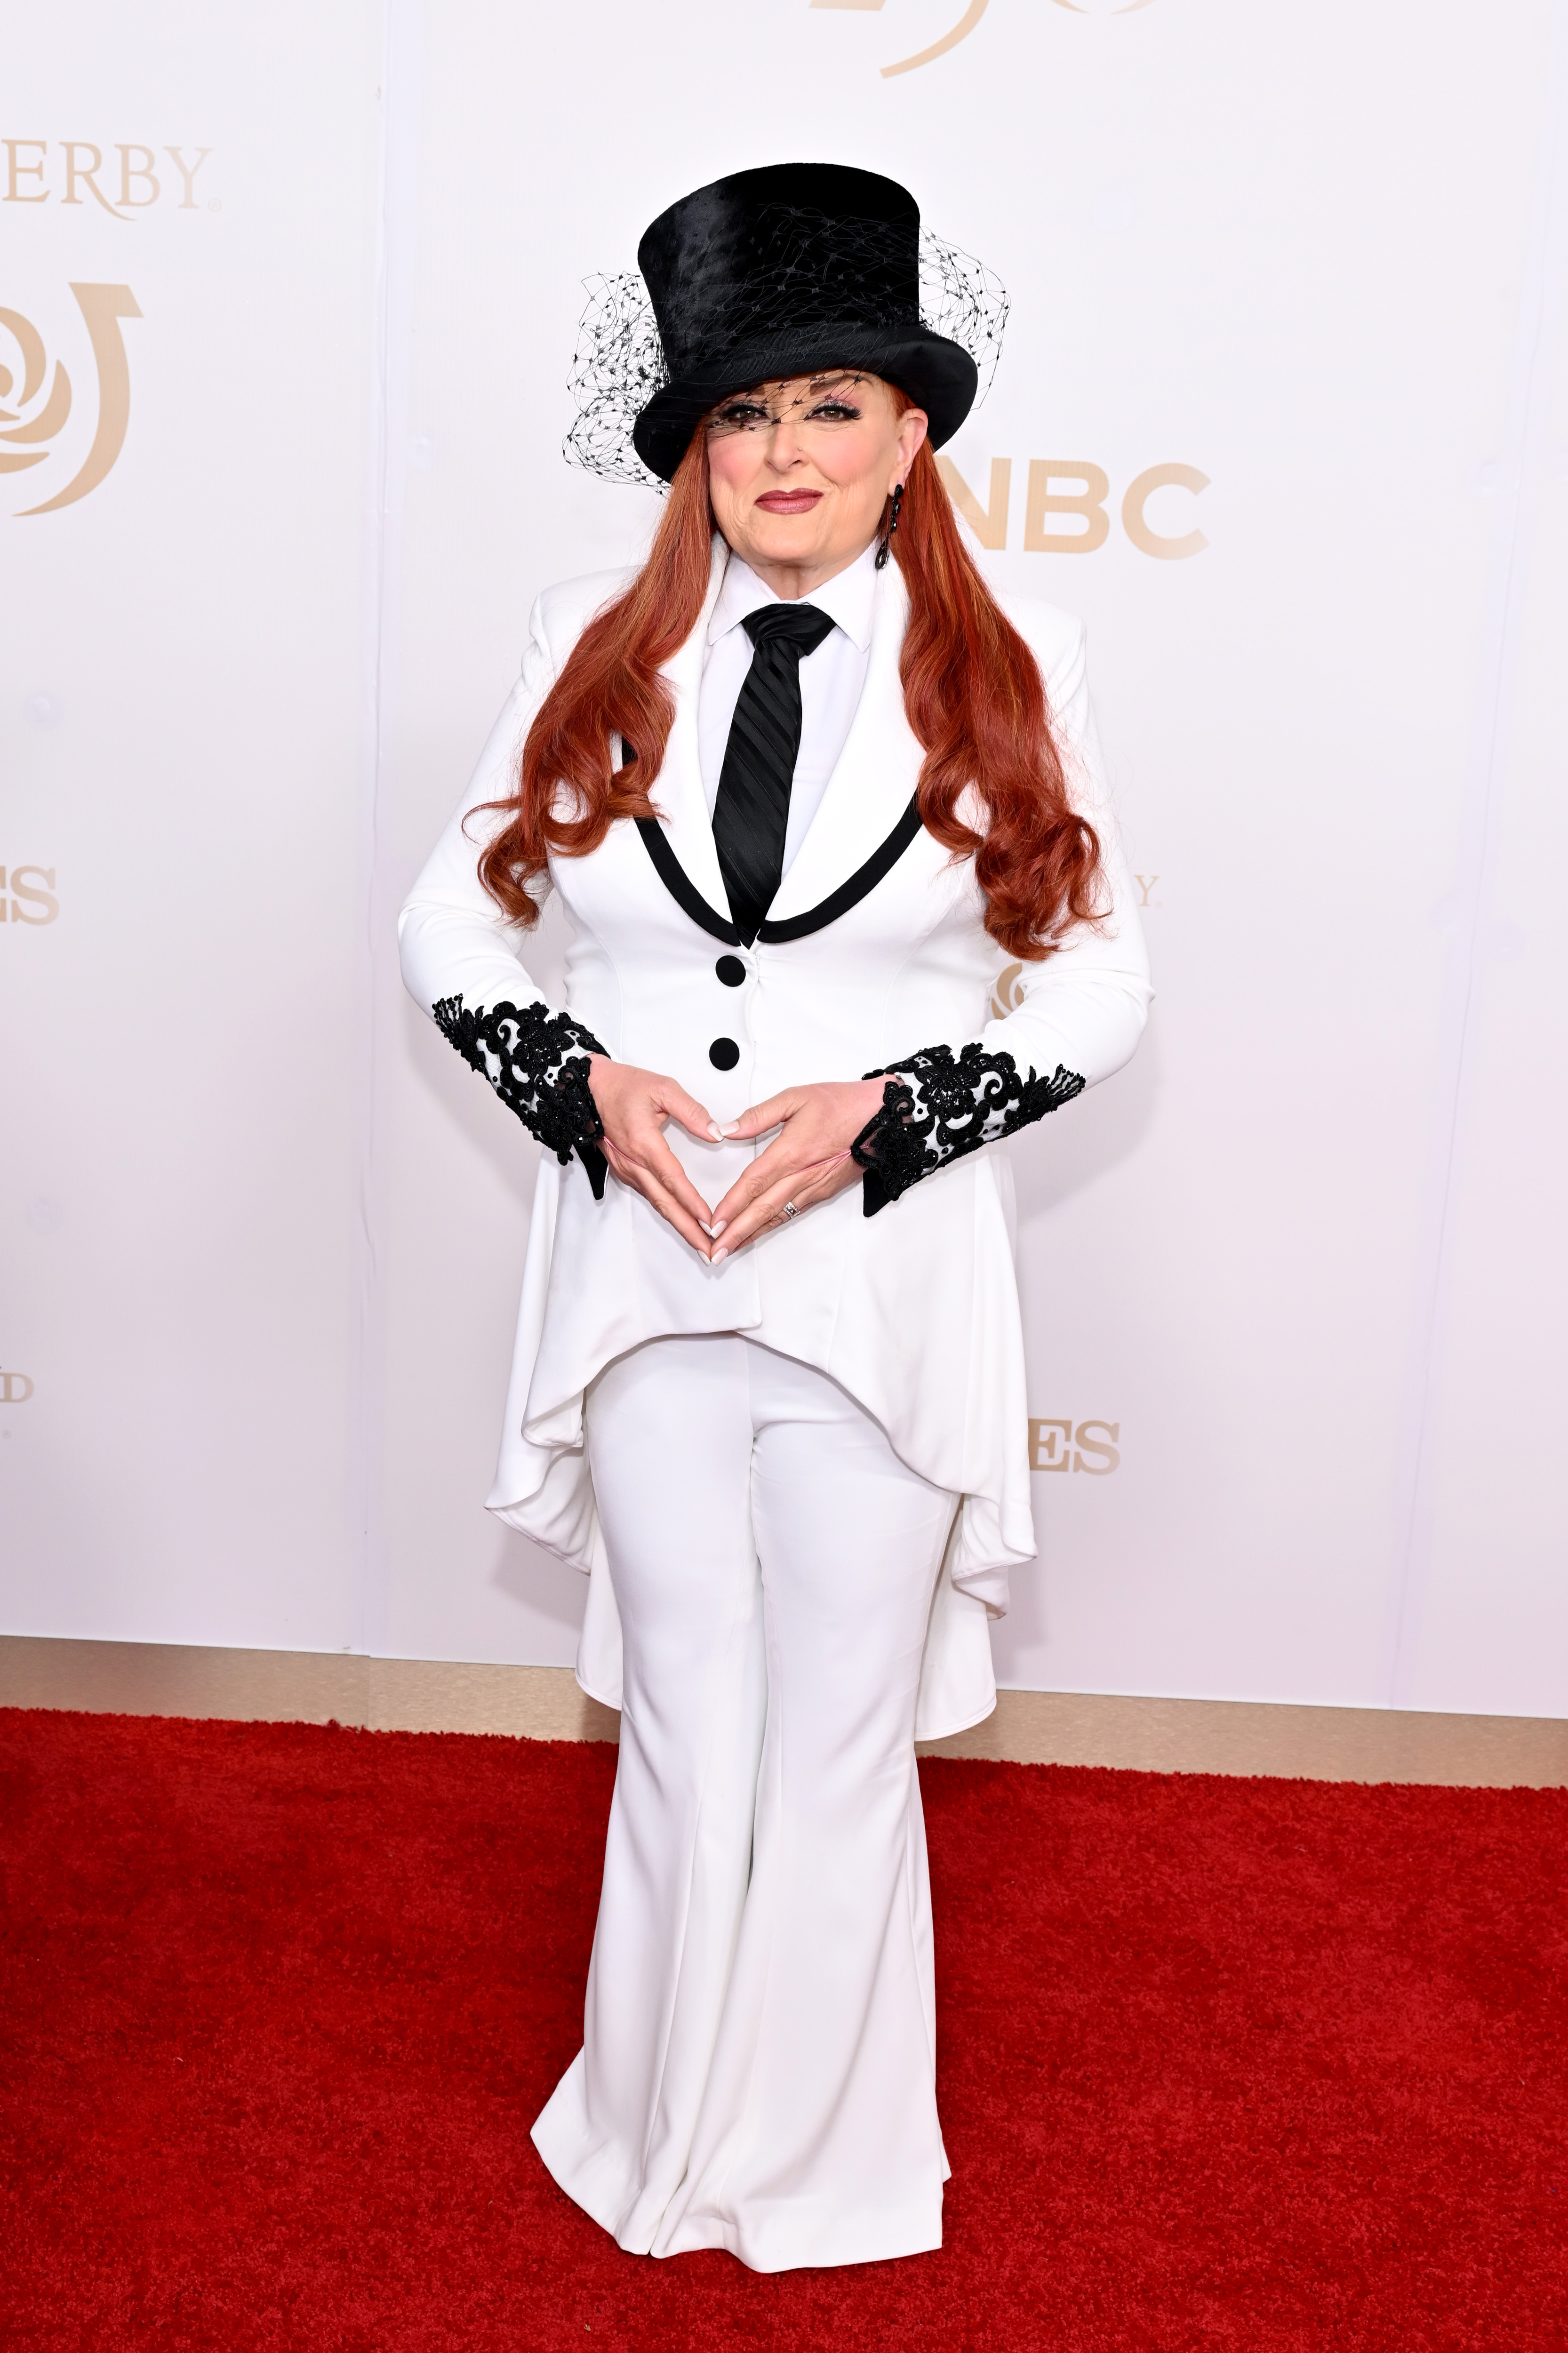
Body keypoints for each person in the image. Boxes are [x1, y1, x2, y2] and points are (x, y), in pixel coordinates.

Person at [399, 161, 1151, 2273]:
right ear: (692, 450)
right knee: (683, 1725)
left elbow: (1100, 972)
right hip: (639, 1271)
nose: (787, 453)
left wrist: (898, 1114)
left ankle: (812, 2165)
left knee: (830, 1739)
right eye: (744, 415)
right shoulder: (590, 642)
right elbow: (448, 913)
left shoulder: (1011, 655)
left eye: (830, 407)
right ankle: (649, 2130)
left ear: (910, 435)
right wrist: (578, 1081)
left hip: (873, 1280)